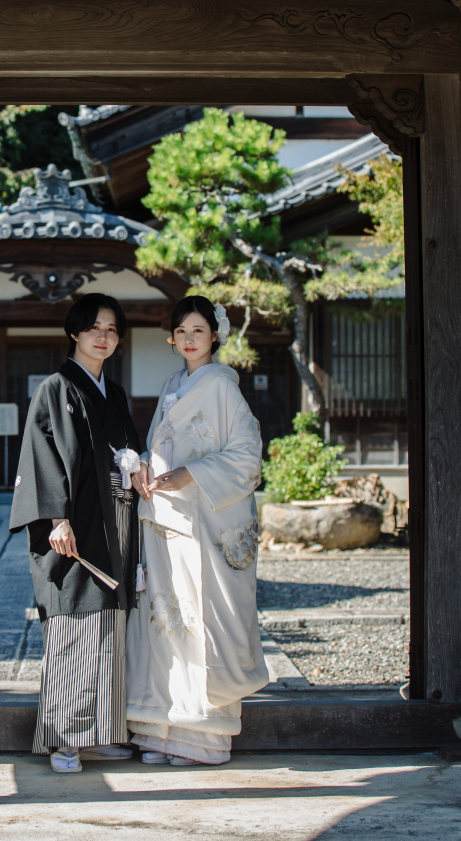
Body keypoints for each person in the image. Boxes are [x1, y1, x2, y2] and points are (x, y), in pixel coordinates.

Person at [126, 294, 269, 766]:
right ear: (172, 338)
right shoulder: (172, 385)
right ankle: (159, 733)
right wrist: (144, 467)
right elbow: (161, 447)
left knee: (200, 618)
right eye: (182, 332)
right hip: (167, 519)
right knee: (165, 620)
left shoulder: (224, 388)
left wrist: (192, 474)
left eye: (199, 332)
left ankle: (201, 739)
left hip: (206, 521)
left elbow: (248, 455)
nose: (190, 340)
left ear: (214, 337)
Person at [9, 292, 142, 774]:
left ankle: (101, 734)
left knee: (108, 630)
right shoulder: (56, 388)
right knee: (73, 628)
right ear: (75, 333)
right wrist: (55, 520)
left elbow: (128, 455)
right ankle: (65, 741)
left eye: (111, 329)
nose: (103, 337)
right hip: (73, 531)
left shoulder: (115, 393)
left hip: (114, 526)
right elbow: (41, 457)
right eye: (94, 328)